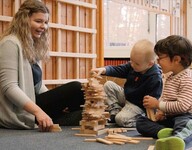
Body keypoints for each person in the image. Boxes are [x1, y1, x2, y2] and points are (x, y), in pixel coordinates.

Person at [0, 0, 85, 132]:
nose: (44, 26)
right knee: (76, 87)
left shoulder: (32, 45)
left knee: (81, 107)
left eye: (45, 22)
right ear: (24, 20)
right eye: (38, 21)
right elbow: (9, 87)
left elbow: (38, 86)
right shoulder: (10, 43)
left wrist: (57, 104)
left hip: (34, 104)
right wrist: (38, 112)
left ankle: (61, 118)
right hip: (21, 110)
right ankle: (56, 118)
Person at [136, 35, 192, 150]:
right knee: (141, 121)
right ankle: (166, 132)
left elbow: (182, 106)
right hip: (173, 116)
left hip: (190, 116)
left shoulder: (188, 79)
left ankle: (178, 138)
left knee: (185, 124)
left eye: (160, 57)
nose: (157, 61)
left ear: (176, 59)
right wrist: (161, 112)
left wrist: (157, 104)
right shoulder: (170, 76)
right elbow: (167, 98)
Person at [91, 39, 163, 127]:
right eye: (131, 61)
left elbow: (152, 102)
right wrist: (104, 70)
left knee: (120, 119)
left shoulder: (155, 78)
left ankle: (140, 119)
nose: (132, 65)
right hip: (127, 97)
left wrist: (150, 116)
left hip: (138, 106)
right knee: (108, 85)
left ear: (150, 64)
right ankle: (115, 111)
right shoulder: (133, 66)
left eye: (136, 64)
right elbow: (118, 69)